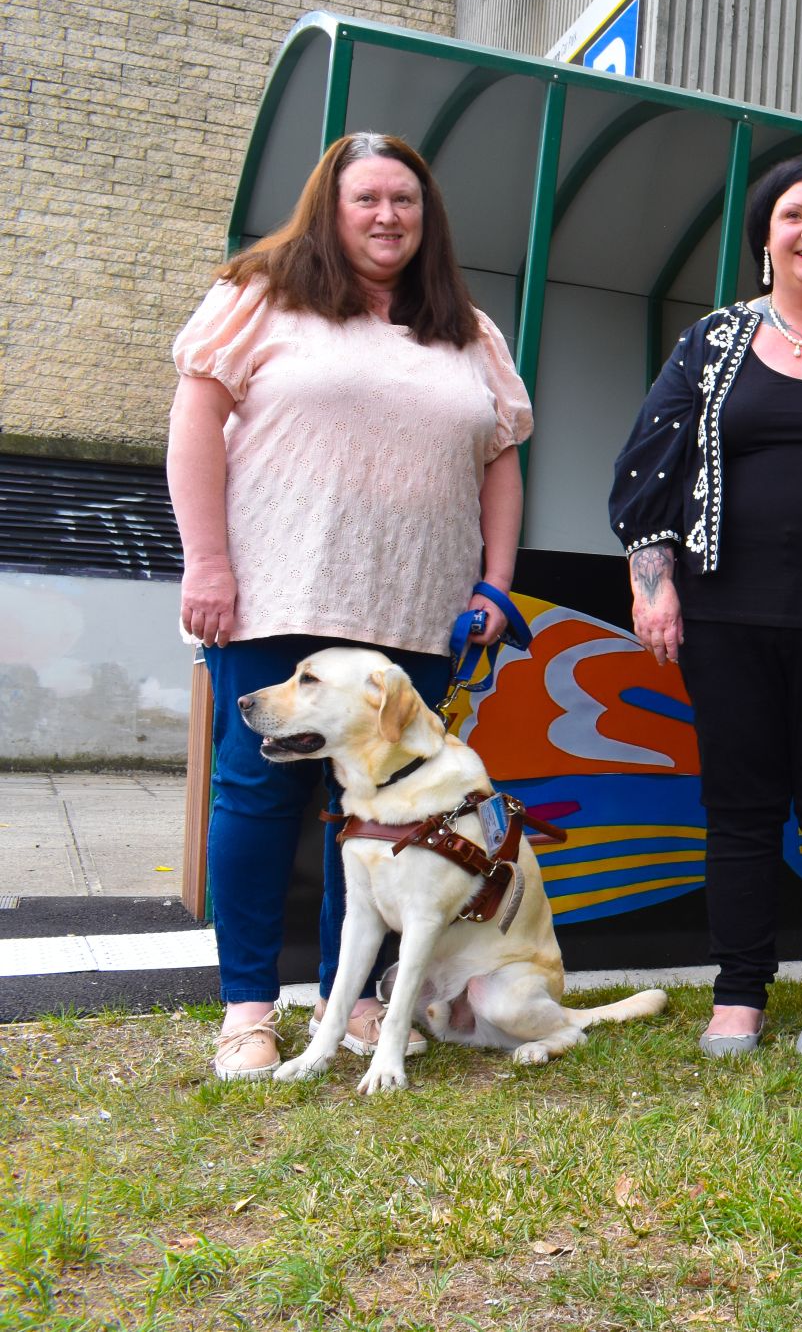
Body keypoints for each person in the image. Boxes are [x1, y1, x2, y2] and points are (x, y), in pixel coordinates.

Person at [167, 131, 532, 1081]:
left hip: (414, 608)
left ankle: (354, 1002)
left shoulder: (469, 330)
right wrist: (206, 561)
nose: (386, 216)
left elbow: (501, 460)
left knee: (382, 817)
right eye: (366, 198)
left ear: (427, 218)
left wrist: (495, 580)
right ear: (330, 208)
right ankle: (248, 1008)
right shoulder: (260, 293)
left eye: (404, 202)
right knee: (257, 793)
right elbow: (194, 418)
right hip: (277, 589)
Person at [609, 158, 802, 1059]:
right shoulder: (710, 342)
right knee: (739, 807)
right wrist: (653, 582)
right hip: (725, 616)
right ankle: (738, 995)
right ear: (766, 238)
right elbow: (646, 467)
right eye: (794, 216)